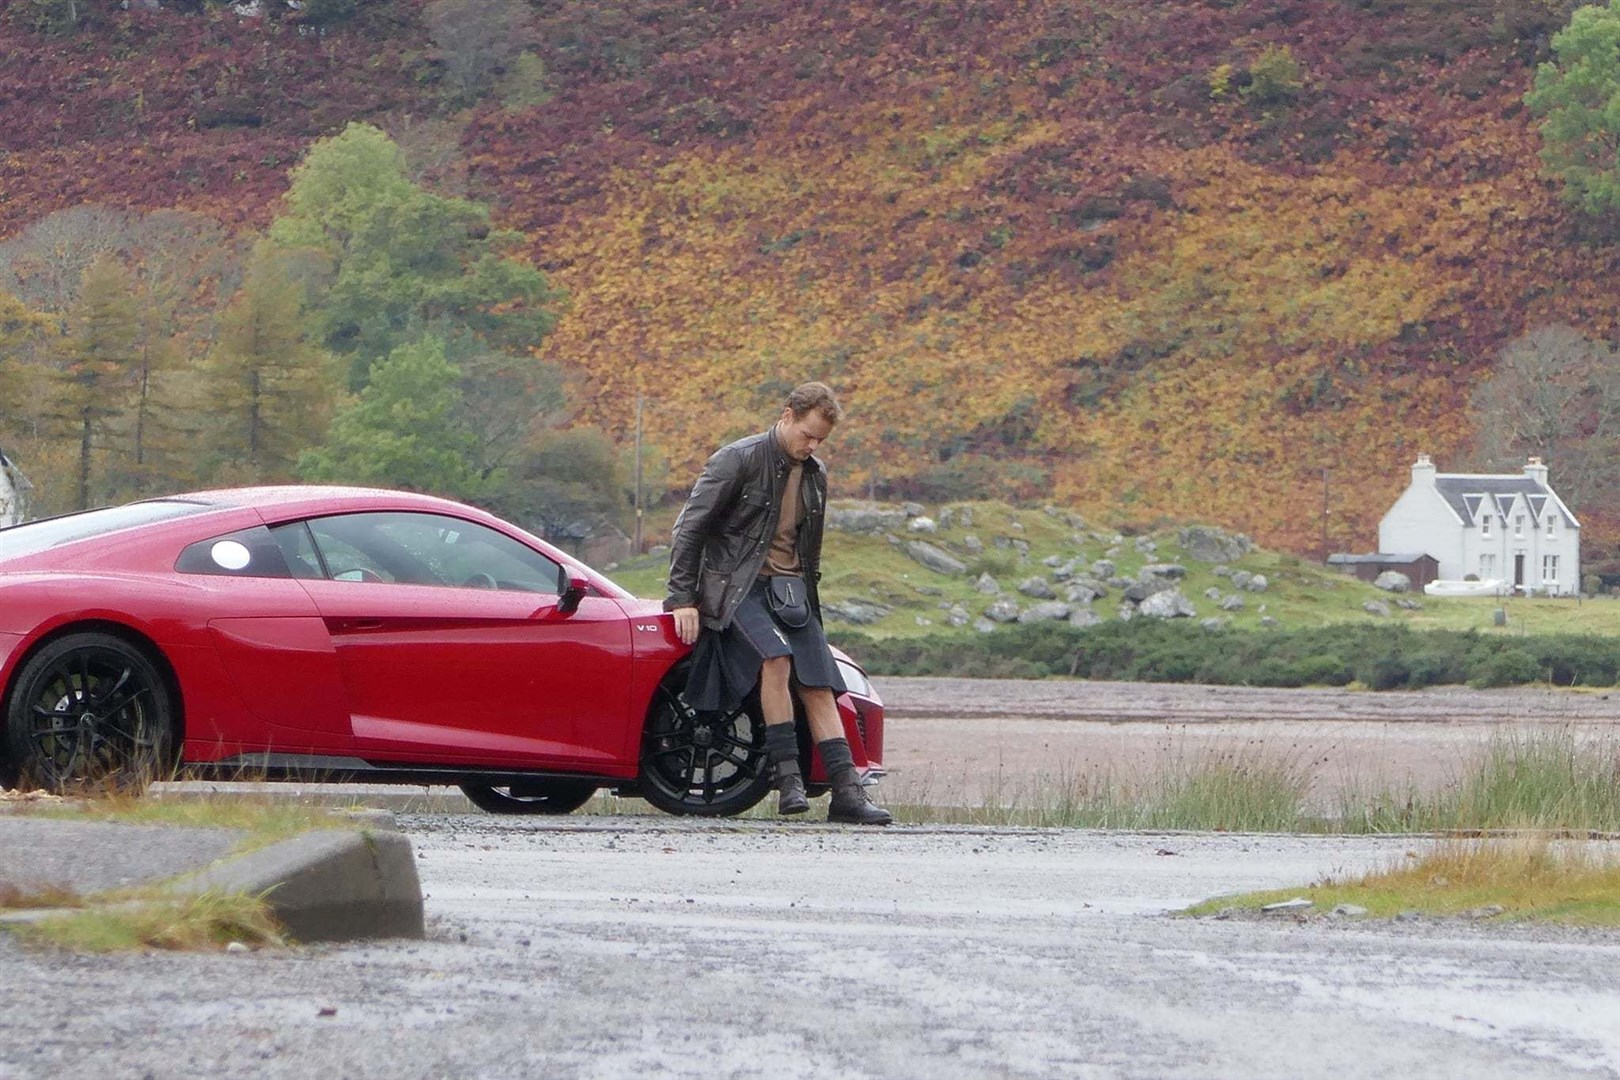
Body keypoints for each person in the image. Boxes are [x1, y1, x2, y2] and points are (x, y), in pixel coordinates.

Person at [664, 382, 891, 825]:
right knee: (776, 658)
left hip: (791, 590)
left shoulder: (815, 474)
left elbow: (808, 553)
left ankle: (847, 792)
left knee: (819, 681)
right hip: (737, 586)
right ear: (787, 415)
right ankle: (787, 779)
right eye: (807, 434)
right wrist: (682, 599)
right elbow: (689, 529)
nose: (812, 445)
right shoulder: (738, 458)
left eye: (820, 440)